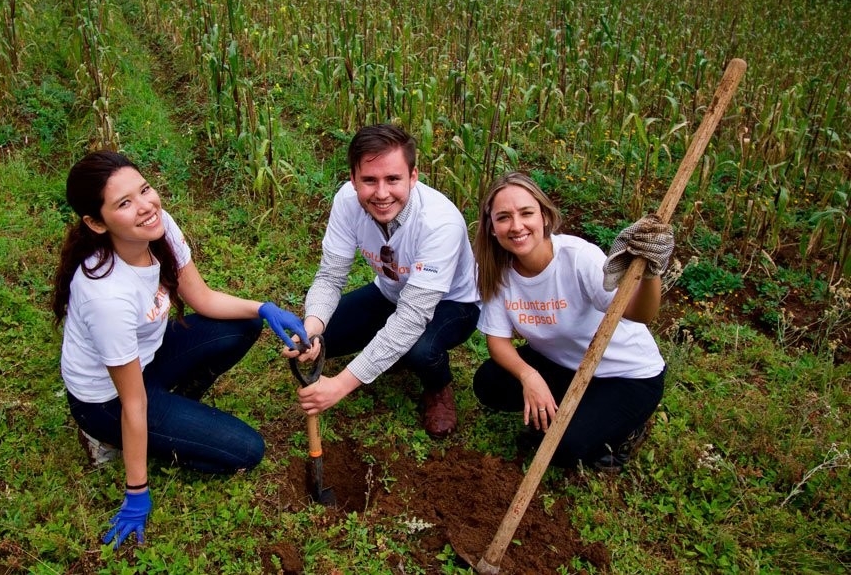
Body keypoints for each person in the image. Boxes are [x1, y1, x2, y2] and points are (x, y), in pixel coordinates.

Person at [52, 150, 307, 548]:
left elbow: (202, 298)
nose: (145, 207)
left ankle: (172, 417)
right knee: (246, 450)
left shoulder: (159, 227)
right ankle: (109, 439)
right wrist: (136, 492)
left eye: (144, 189)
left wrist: (263, 308)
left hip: (149, 357)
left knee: (243, 324)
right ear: (96, 223)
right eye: (124, 203)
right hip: (109, 401)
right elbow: (133, 403)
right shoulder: (106, 295)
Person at [285, 123, 481, 438]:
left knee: (418, 346)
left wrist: (339, 385)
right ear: (352, 179)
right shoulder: (347, 202)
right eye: (369, 180)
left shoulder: (440, 223)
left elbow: (413, 315)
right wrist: (312, 327)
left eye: (393, 179)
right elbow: (330, 276)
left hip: (453, 303)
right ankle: (387, 351)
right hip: (391, 292)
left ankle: (438, 388)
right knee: (325, 339)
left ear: (413, 177)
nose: (381, 193)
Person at [471, 172, 673, 471]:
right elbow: (498, 341)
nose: (516, 226)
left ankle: (626, 428)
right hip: (565, 366)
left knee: (563, 449)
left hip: (627, 375)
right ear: (491, 228)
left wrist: (652, 272)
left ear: (544, 216)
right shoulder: (495, 270)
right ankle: (572, 411)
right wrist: (529, 377)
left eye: (526, 213)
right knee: (490, 383)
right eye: (503, 217)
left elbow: (638, 314)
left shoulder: (577, 258)